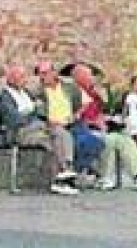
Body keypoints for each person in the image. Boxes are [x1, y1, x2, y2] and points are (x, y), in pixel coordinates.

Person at [69, 63, 137, 191]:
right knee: (110, 139)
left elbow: (99, 112)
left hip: (99, 128)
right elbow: (73, 116)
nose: (92, 79)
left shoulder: (93, 94)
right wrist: (92, 121)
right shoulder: (73, 93)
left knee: (124, 138)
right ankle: (104, 177)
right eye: (89, 76)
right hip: (83, 129)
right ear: (79, 78)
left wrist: (106, 117)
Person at [34, 60, 84, 195]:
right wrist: (53, 122)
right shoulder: (38, 92)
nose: (42, 77)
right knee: (61, 134)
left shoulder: (70, 87)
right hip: (52, 125)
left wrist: (75, 116)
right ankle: (67, 168)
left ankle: (62, 179)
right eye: (40, 74)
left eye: (45, 73)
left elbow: (79, 106)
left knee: (90, 138)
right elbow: (40, 113)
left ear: (54, 73)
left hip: (71, 123)